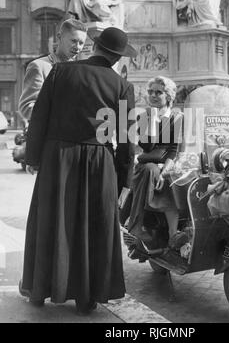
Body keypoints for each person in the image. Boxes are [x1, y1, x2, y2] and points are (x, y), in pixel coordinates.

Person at [19, 27, 136, 315]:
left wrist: (33, 158)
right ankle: (87, 298)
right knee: (92, 227)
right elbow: (128, 140)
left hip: (58, 158)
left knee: (50, 221)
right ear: (118, 58)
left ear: (94, 46)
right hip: (100, 161)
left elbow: (40, 119)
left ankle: (38, 291)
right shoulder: (122, 86)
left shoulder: (60, 72)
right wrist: (124, 180)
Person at [128, 76, 185, 248]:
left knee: (174, 178)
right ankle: (135, 226)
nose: (153, 95)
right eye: (151, 92)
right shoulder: (145, 116)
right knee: (151, 170)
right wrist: (152, 119)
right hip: (147, 165)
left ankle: (174, 234)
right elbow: (147, 145)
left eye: (158, 92)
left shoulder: (176, 117)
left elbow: (173, 150)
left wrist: (165, 170)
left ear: (168, 96)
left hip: (167, 163)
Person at [19, 18, 88, 121]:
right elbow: (26, 108)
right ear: (59, 37)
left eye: (81, 43)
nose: (77, 47)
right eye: (73, 41)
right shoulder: (39, 66)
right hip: (50, 135)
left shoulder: (81, 70)